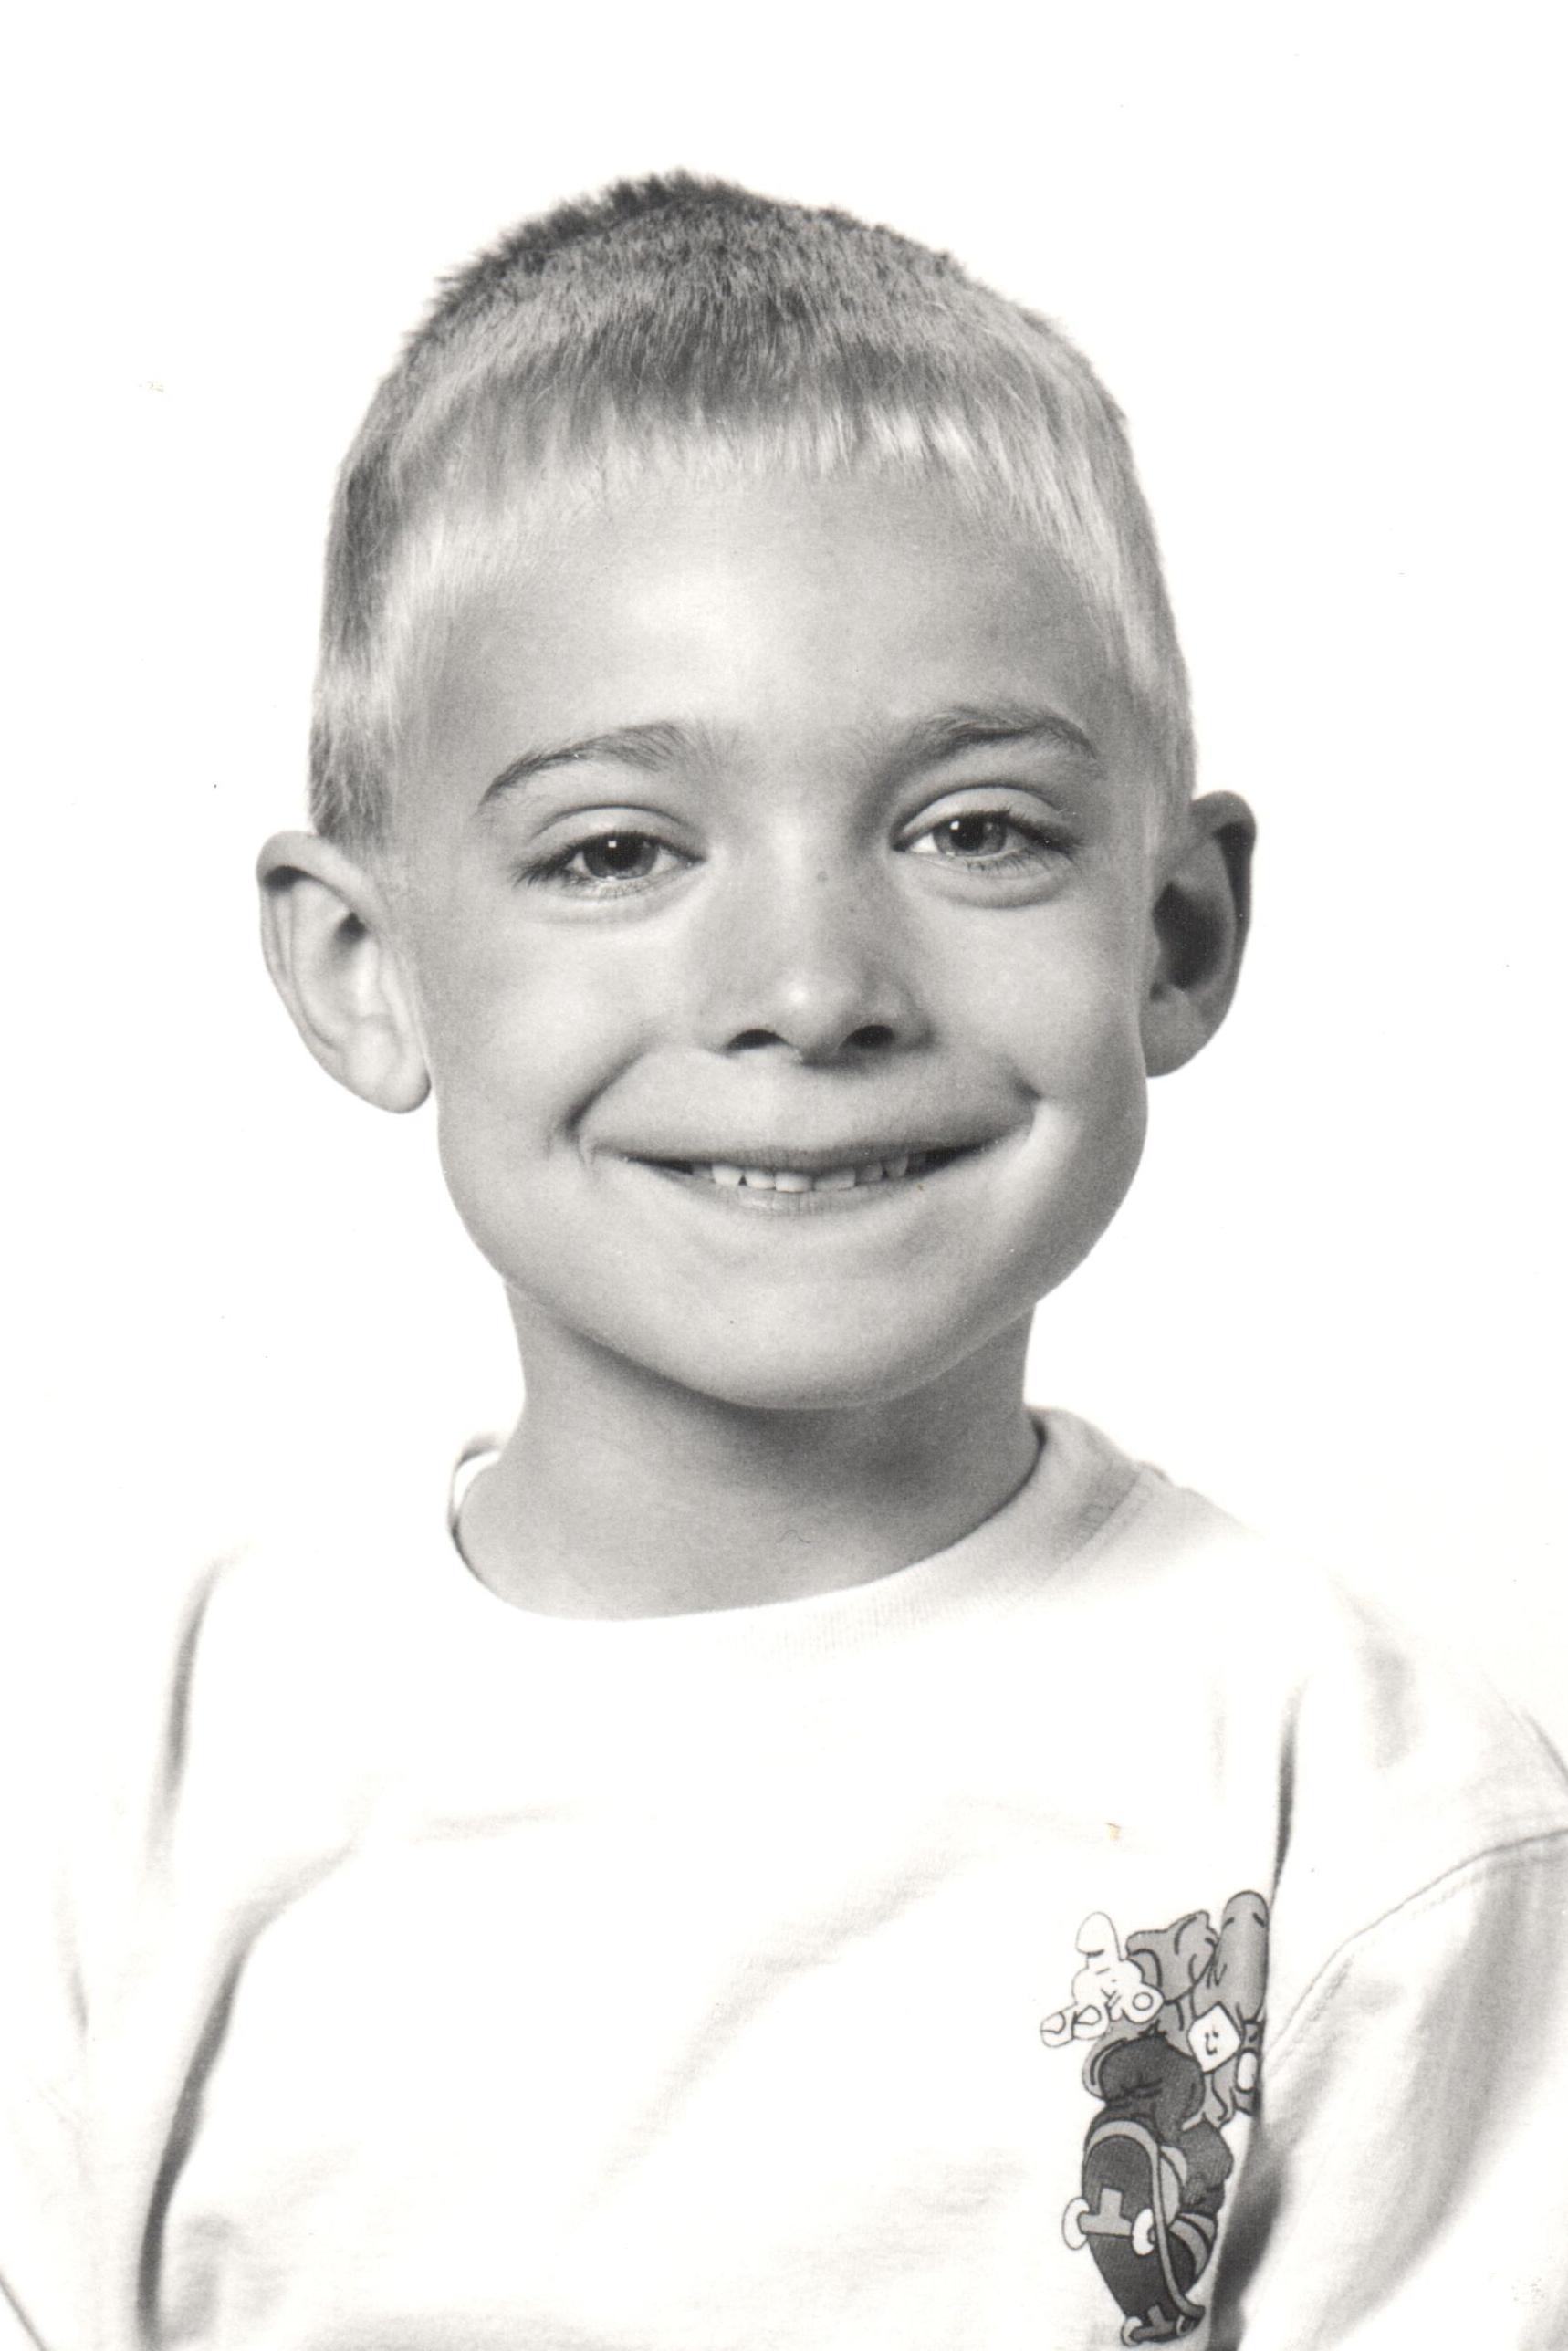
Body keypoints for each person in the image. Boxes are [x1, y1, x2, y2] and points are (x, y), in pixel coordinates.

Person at [5, 174, 1565, 2350]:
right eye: (616, 851)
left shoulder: (1365, 1810)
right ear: (366, 967)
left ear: (1173, 933)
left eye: (974, 829)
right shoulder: (129, 1786)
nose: (812, 989)